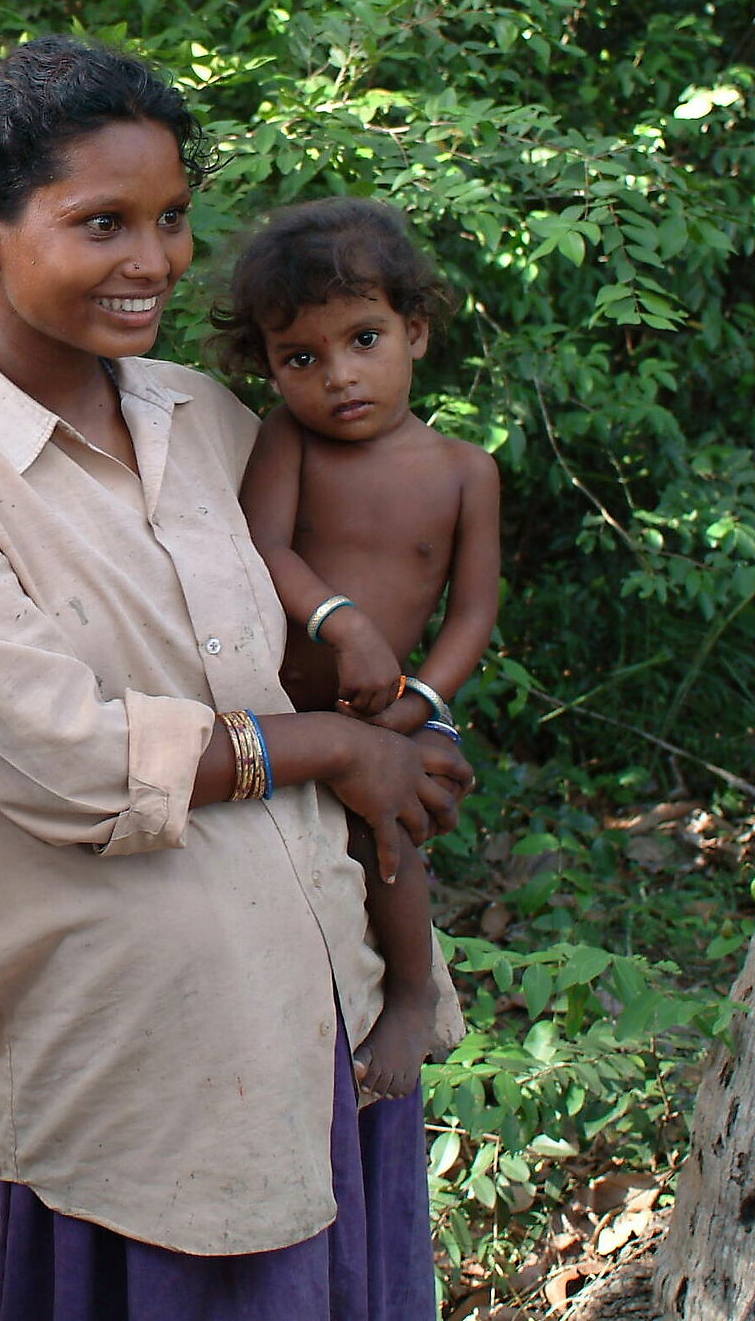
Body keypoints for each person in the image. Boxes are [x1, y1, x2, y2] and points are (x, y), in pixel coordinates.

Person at [0, 36, 470, 1321]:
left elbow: (329, 647)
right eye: (102, 222)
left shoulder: (209, 418)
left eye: (171, 218)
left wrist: (408, 728)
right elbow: (68, 761)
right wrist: (339, 752)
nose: (154, 259)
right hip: (146, 1073)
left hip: (325, 1014)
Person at [225, 198, 501, 1101]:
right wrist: (343, 623)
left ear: (415, 331)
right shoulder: (289, 441)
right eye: (300, 359)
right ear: (269, 367)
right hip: (285, 707)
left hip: (402, 708)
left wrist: (418, 705)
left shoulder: (464, 471)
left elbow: (472, 615)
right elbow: (264, 548)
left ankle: (415, 994)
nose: (338, 376)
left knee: (389, 830)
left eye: (364, 340)